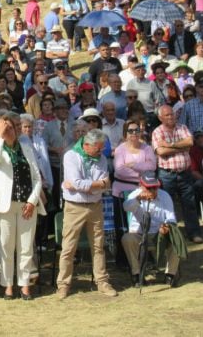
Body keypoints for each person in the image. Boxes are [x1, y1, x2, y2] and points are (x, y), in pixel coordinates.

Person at [0, 112, 45, 300]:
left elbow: (37, 178)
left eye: (13, 127)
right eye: (7, 128)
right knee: (6, 246)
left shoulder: (27, 148)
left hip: (26, 204)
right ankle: (8, 285)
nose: (11, 131)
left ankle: (25, 284)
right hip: (4, 205)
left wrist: (32, 201)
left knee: (26, 246)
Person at [57, 128, 117, 300]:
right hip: (74, 206)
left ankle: (102, 282)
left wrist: (88, 185)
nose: (101, 151)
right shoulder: (70, 156)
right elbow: (76, 182)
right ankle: (63, 285)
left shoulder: (103, 158)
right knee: (68, 247)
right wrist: (98, 184)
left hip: (95, 206)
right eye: (98, 148)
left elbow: (104, 184)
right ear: (87, 145)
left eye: (102, 148)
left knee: (99, 246)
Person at [121, 171, 183, 288]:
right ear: (141, 186)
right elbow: (126, 206)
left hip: (159, 234)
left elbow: (171, 218)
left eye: (155, 187)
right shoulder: (135, 195)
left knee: (176, 238)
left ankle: (171, 273)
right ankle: (137, 274)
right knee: (127, 239)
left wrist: (167, 227)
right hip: (140, 235)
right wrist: (138, 199)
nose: (153, 191)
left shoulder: (165, 196)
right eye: (149, 188)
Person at [151, 105, 202, 243]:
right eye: (167, 115)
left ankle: (194, 233)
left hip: (185, 173)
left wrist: (169, 144)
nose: (171, 117)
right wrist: (181, 146)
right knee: (167, 206)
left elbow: (190, 142)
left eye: (172, 114)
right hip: (167, 174)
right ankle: (170, 236)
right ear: (160, 118)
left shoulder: (183, 128)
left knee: (189, 204)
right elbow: (161, 152)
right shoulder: (157, 132)